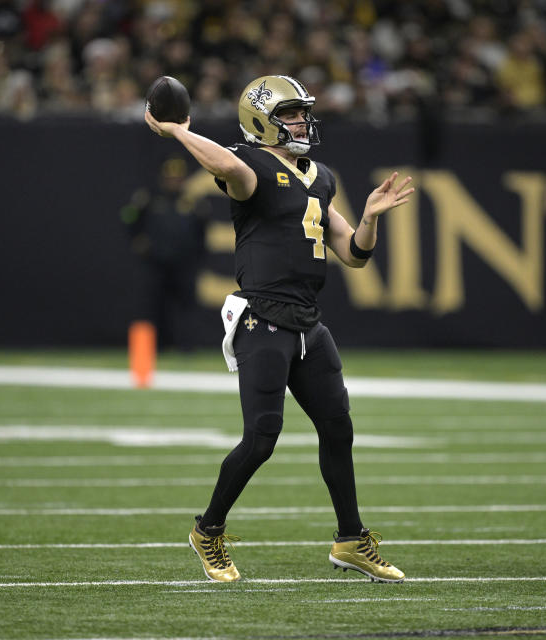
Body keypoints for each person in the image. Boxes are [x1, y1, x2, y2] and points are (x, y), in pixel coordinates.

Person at [144, 74, 414, 583]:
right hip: (262, 317)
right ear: (261, 122)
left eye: (300, 112)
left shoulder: (319, 177)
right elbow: (227, 164)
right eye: (289, 114)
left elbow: (354, 255)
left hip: (308, 322)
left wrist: (372, 218)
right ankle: (208, 530)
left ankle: (351, 540)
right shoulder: (253, 168)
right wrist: (179, 130)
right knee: (263, 436)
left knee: (338, 427)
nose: (300, 121)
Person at [120, 155, 208, 351]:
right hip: (156, 263)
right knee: (154, 305)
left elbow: (203, 231)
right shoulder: (148, 198)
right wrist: (138, 241)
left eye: (178, 178)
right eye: (170, 178)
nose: (174, 182)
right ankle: (156, 347)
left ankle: (187, 347)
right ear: (162, 178)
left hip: (184, 264)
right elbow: (127, 217)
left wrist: (197, 256)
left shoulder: (193, 203)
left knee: (186, 306)